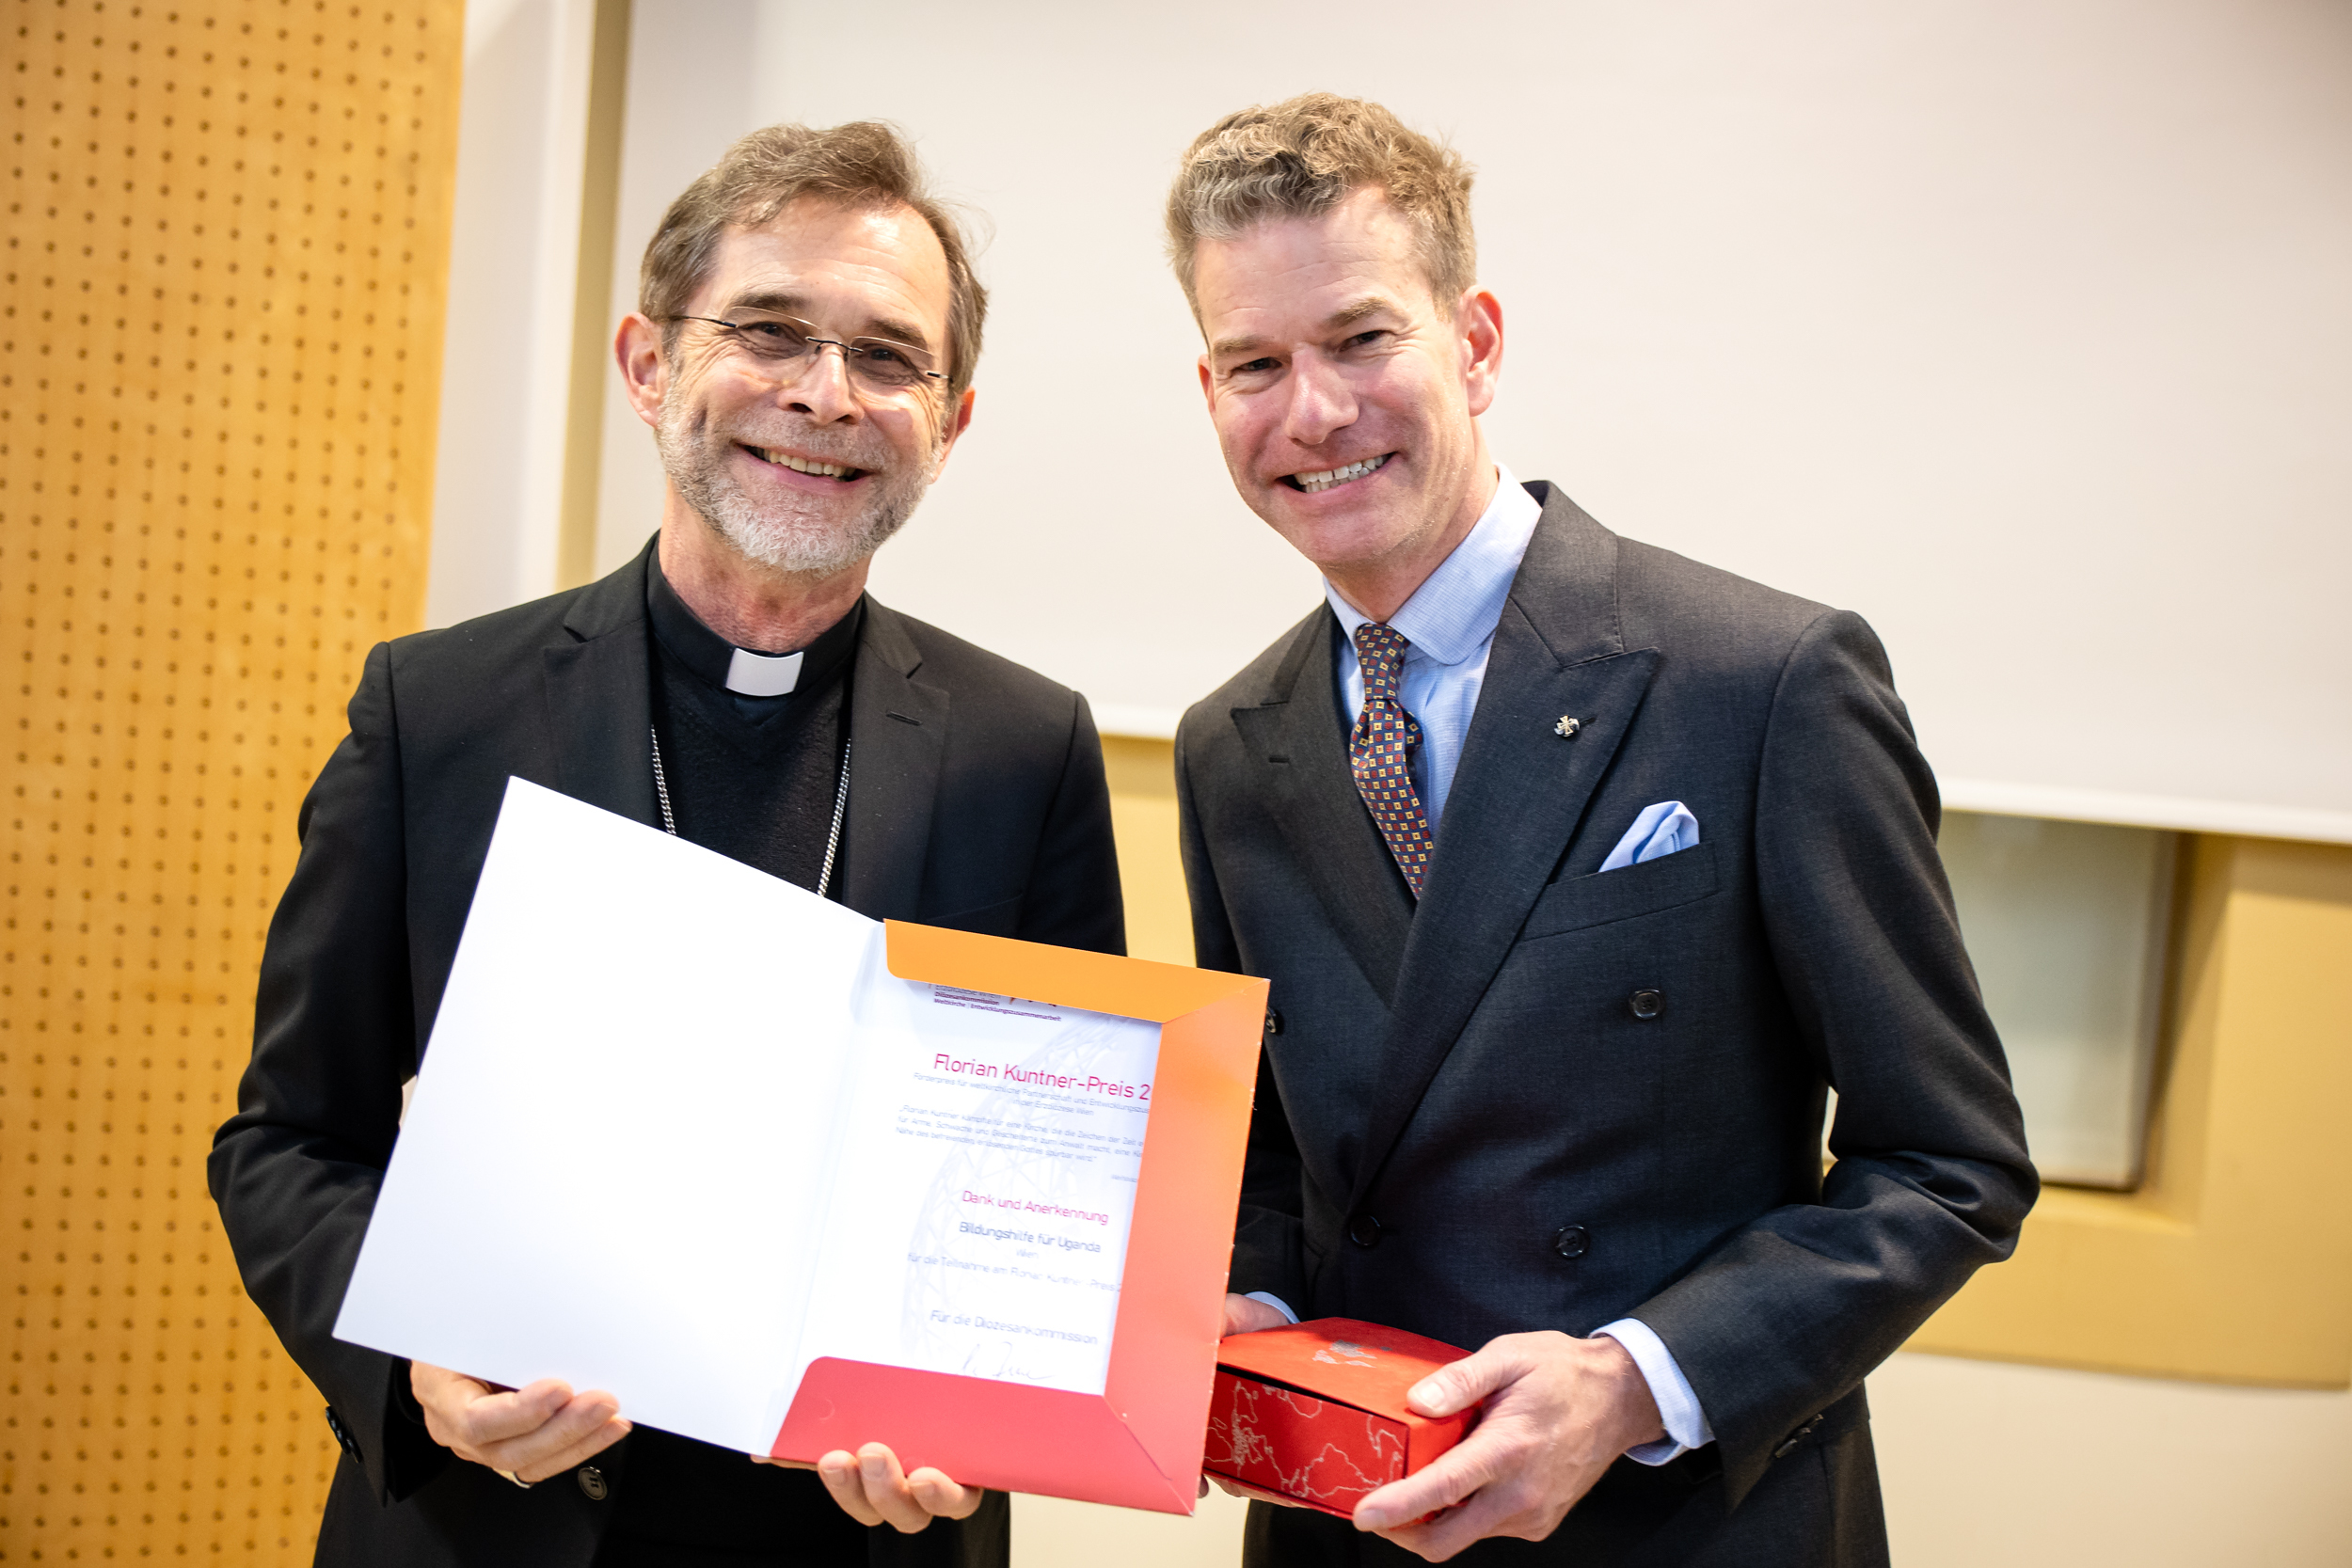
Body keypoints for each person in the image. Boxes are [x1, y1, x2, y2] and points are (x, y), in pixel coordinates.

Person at [210, 121, 1120, 1568]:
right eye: (769, 330)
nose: (826, 393)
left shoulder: (1027, 749)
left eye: (889, 356)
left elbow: (1061, 1189)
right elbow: (288, 1140)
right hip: (495, 1525)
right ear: (647, 364)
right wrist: (410, 1362)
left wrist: (985, 1415)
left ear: (950, 423)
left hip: (856, 1537)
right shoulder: (438, 711)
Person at [1167, 95, 2036, 1565]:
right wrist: (1242, 1300)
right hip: (1350, 1520)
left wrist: (1637, 1381)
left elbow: (1949, 1164)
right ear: (1210, 391)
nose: (1312, 411)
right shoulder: (1226, 747)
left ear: (1476, 343)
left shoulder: (1763, 680)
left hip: (1683, 1525)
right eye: (1257, 363)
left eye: (1362, 338)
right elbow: (1263, 1164)